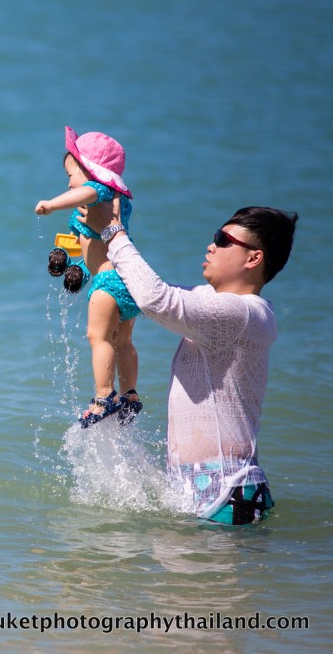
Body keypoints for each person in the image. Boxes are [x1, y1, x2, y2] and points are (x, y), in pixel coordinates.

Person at [82, 199, 298, 525]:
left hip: (227, 490)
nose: (211, 246)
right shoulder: (215, 304)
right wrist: (94, 241)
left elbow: (157, 300)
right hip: (207, 490)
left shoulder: (244, 313)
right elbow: (142, 291)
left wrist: (114, 230)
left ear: (254, 258)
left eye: (224, 240)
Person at [35, 127, 142, 427]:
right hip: (128, 280)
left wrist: (52, 204)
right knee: (123, 341)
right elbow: (85, 250)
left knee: (97, 337)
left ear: (91, 171)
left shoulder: (101, 193)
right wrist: (74, 270)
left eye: (71, 174)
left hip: (108, 282)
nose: (68, 182)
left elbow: (88, 191)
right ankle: (130, 395)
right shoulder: (110, 203)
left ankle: (104, 396)